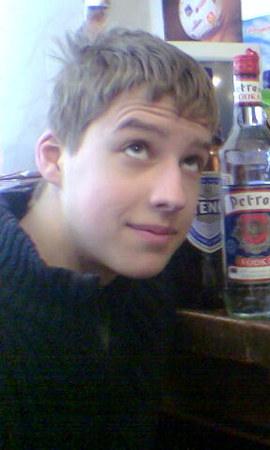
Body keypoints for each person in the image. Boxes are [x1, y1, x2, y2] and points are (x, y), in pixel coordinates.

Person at [0, 28, 218, 448]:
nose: (173, 196)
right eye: (137, 148)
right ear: (54, 158)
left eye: (191, 160)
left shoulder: (146, 270)